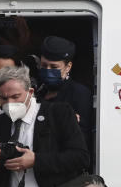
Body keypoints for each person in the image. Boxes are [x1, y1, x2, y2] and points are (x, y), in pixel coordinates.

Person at [37, 36, 95, 166]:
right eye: (44, 65)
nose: (47, 70)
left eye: (54, 67)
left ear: (68, 67)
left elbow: (81, 140)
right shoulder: (38, 92)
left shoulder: (79, 93)